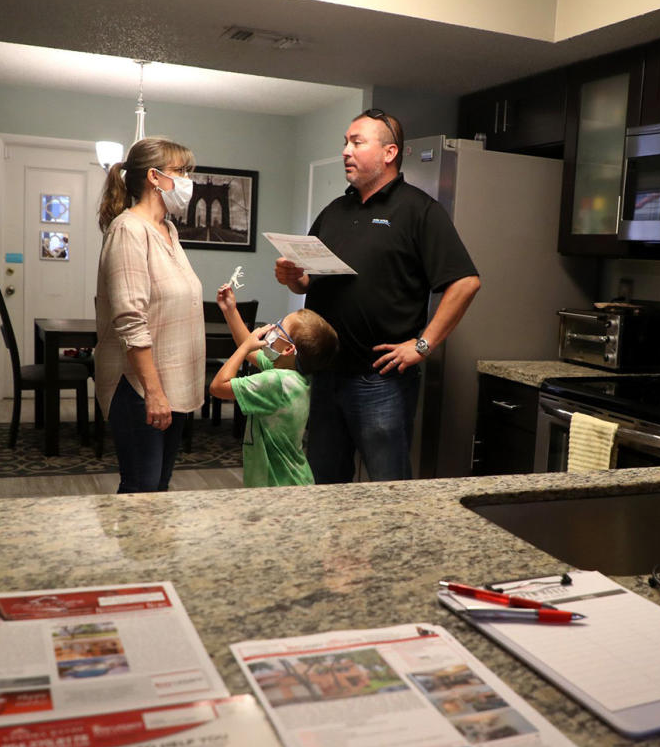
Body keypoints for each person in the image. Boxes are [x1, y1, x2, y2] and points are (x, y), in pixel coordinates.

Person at [274, 109, 480, 483]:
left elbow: (465, 282)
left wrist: (422, 345)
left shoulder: (420, 211)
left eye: (356, 142)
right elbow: (310, 282)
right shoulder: (334, 211)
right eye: (345, 142)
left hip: (380, 380)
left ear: (389, 153)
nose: (345, 151)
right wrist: (294, 279)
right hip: (324, 372)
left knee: (388, 489)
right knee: (323, 483)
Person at [95, 136, 204, 493]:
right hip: (139, 386)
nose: (188, 180)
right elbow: (130, 320)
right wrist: (154, 393)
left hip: (172, 382)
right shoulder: (128, 230)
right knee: (141, 490)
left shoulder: (168, 230)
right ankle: (132, 550)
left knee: (158, 487)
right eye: (181, 171)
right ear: (154, 177)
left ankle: (152, 550)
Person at [208, 283, 338, 487]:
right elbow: (252, 351)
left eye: (279, 327)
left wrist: (244, 347)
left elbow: (218, 386)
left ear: (287, 350)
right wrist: (231, 311)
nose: (273, 328)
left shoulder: (276, 382)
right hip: (289, 482)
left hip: (280, 487)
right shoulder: (293, 373)